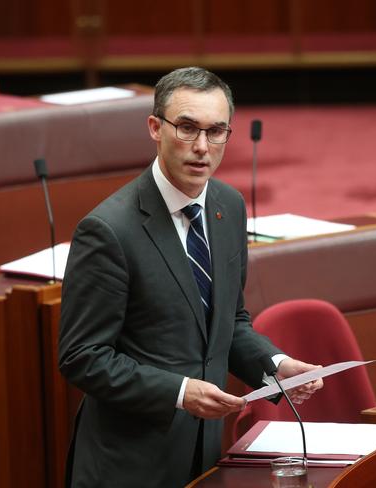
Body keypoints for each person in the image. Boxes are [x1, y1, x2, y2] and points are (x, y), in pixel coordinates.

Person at [58, 66, 323, 488]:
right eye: (187, 128)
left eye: (216, 132)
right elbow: (82, 356)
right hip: (128, 467)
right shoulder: (108, 230)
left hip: (202, 457)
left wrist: (275, 366)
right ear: (155, 128)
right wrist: (180, 392)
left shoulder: (228, 206)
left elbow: (228, 322)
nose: (202, 147)